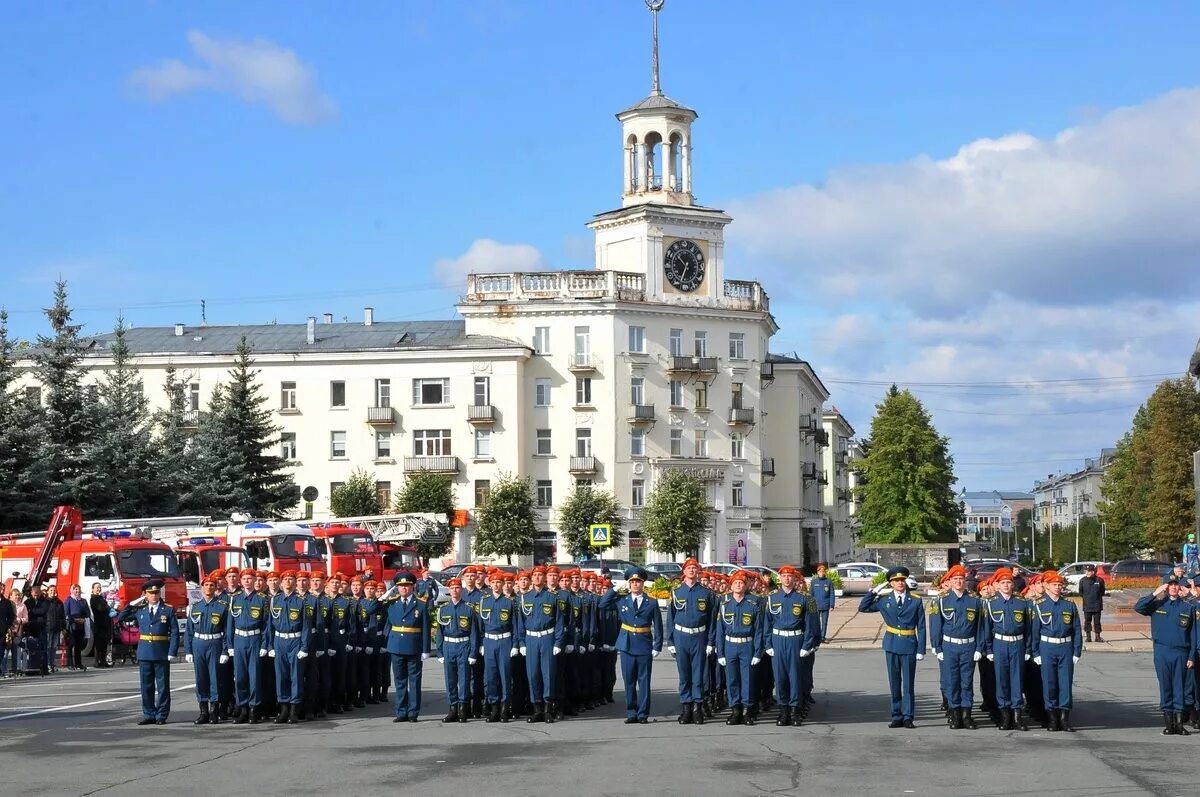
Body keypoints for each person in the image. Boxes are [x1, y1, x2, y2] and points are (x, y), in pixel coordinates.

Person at [858, 566, 927, 729]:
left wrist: (921, 649)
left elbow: (922, 627)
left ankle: (908, 716)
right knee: (894, 683)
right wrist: (874, 591)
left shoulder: (915, 600)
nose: (900, 583)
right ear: (890, 584)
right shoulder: (884, 600)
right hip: (891, 645)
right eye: (896, 581)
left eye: (902, 580)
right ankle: (896, 715)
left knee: (908, 685)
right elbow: (863, 607)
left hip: (909, 644)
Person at [598, 567, 662, 723]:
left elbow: (658, 625)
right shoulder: (622, 599)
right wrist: (615, 589)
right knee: (629, 680)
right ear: (628, 584)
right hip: (626, 644)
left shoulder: (652, 602)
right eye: (632, 582)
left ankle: (643, 714)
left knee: (644, 681)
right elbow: (602, 604)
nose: (635, 584)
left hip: (644, 644)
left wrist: (657, 645)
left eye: (638, 582)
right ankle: (631, 712)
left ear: (643, 583)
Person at [1135, 576, 1195, 735]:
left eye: (1176, 585)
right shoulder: (1157, 605)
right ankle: (1169, 724)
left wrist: (1191, 656)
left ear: (1180, 588)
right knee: (1166, 686)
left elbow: (1193, 635)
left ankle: (1179, 724)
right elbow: (1139, 607)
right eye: (1170, 585)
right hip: (1162, 651)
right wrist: (1155, 593)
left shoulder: (1187, 607)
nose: (1174, 587)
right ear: (1166, 587)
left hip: (1181, 652)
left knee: (1179, 687)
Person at [930, 564, 985, 730]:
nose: (959, 582)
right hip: (949, 646)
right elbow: (936, 626)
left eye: (962, 579)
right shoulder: (941, 601)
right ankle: (954, 715)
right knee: (952, 681)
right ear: (951, 581)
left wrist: (978, 648)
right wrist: (937, 647)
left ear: (966, 581)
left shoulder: (975, 601)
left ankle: (967, 716)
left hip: (968, 646)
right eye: (956, 579)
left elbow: (980, 627)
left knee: (967, 682)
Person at [117, 579, 180, 725]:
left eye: (156, 593)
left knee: (163, 686)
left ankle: (161, 715)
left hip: (161, 651)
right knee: (146, 685)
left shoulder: (168, 610)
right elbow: (121, 617)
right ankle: (149, 713)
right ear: (146, 595)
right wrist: (134, 602)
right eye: (150, 593)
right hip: (145, 652)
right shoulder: (141, 610)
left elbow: (175, 632)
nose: (154, 596)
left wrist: (172, 651)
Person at [1030, 570, 1083, 731]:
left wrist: (1076, 651)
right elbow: (1034, 632)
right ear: (1046, 586)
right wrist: (1035, 652)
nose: (1058, 588)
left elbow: (1076, 630)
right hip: (1047, 647)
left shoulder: (1069, 605)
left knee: (1065, 683)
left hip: (1065, 646)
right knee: (1049, 682)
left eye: (1060, 585)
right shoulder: (1039, 605)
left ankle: (1064, 718)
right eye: (1054, 585)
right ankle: (1052, 718)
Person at [666, 558, 717, 725]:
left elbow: (711, 621)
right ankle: (686, 708)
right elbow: (670, 619)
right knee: (684, 674)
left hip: (699, 636)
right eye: (689, 568)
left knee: (699, 674)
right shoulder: (676, 592)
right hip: (681, 636)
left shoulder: (707, 593)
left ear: (698, 572)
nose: (692, 571)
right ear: (684, 571)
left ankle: (697, 709)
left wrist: (710, 642)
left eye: (695, 568)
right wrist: (671, 642)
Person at [764, 565, 816, 726]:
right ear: (779, 579)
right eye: (784, 576)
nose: (787, 578)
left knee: (795, 677)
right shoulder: (771, 597)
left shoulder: (805, 598)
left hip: (796, 640)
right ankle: (783, 711)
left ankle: (795, 711)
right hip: (778, 640)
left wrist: (807, 646)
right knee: (780, 678)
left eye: (789, 576)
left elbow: (811, 624)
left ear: (794, 579)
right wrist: (768, 644)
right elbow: (766, 623)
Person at [983, 568, 1032, 731]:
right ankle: (1005, 717)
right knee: (1002, 680)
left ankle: (1017, 717)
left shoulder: (1021, 603)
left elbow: (1028, 629)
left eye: (1008, 582)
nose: (1006, 585)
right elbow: (987, 629)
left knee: (1017, 680)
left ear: (1012, 584)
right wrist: (988, 650)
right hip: (1000, 644)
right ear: (997, 584)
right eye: (1003, 582)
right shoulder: (990, 603)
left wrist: (1027, 649)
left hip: (1017, 644)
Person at [716, 571, 766, 726]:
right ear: (731, 586)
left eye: (741, 583)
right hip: (730, 645)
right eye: (736, 583)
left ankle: (747, 710)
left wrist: (758, 651)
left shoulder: (752, 606)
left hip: (747, 645)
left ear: (745, 586)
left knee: (748, 679)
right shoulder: (724, 606)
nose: (738, 585)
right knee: (732, 680)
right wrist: (721, 652)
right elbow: (720, 630)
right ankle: (735, 710)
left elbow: (759, 630)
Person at [382, 571, 431, 723]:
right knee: (400, 681)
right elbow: (371, 609)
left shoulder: (421, 604)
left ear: (413, 586)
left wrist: (426, 650)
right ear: (397, 587)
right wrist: (384, 596)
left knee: (414, 681)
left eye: (407, 586)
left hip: (414, 646)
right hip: (396, 646)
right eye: (401, 586)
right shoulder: (391, 603)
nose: (404, 589)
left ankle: (413, 713)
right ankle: (401, 711)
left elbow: (425, 628)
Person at [226, 568, 270, 724]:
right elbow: (230, 625)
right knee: (240, 677)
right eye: (244, 579)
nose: (246, 581)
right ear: (240, 581)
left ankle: (253, 709)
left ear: (254, 580)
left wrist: (265, 645)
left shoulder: (262, 599)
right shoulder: (235, 599)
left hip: (255, 639)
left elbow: (266, 625)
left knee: (255, 676)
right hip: (239, 640)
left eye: (250, 579)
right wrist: (229, 645)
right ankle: (243, 708)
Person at [185, 574, 230, 724]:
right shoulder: (195, 606)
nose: (209, 587)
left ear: (215, 587)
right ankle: (203, 711)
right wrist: (188, 650)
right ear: (202, 587)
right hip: (199, 643)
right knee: (201, 677)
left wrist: (225, 650)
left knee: (215, 677)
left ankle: (214, 711)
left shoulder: (222, 606)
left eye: (212, 585)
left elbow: (227, 630)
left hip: (215, 643)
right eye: (206, 585)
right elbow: (189, 631)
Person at [269, 571, 310, 725]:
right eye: (285, 579)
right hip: (279, 641)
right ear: (281, 582)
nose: (287, 582)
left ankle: (294, 710)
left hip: (295, 641)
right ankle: (283, 709)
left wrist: (304, 647)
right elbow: (269, 626)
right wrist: (270, 645)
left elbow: (306, 627)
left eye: (290, 579)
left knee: (296, 677)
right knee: (281, 676)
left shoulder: (301, 601)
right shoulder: (275, 600)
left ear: (295, 583)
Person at [436, 577, 479, 723]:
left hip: (464, 646)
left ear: (461, 589)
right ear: (449, 590)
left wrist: (473, 652)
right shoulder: (443, 609)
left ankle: (463, 709)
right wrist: (440, 652)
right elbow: (439, 633)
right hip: (449, 646)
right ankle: (452, 709)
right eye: (452, 588)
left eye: (457, 587)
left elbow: (474, 632)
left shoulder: (469, 608)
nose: (455, 590)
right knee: (450, 679)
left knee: (464, 678)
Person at [478, 570, 517, 722]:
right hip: (489, 641)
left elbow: (515, 625)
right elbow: (480, 626)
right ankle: (494, 707)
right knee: (491, 676)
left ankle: (504, 708)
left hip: (505, 641)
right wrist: (481, 643)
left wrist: (515, 644)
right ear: (490, 583)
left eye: (499, 582)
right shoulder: (484, 601)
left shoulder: (509, 602)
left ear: (503, 585)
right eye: (493, 582)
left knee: (505, 675)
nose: (496, 585)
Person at [63, 584, 91, 671]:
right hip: (72, 626)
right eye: (75, 589)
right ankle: (70, 664)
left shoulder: (83, 601)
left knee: (79, 646)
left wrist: (83, 619)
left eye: (78, 589)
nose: (77, 591)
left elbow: (88, 612)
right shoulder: (68, 601)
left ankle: (78, 663)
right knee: (71, 645)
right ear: (72, 590)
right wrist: (75, 620)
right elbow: (66, 614)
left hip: (81, 625)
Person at [1077, 564, 1106, 643]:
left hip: (1097, 605)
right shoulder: (1082, 580)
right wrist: (1086, 598)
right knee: (1087, 621)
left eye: (1089, 571)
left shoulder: (1099, 580)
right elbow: (1080, 592)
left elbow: (1102, 591)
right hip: (1087, 605)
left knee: (1097, 621)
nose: (1087, 573)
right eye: (1086, 571)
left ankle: (1098, 637)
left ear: (1093, 571)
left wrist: (1097, 598)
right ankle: (1088, 637)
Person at [89, 583, 114, 668]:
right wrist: (108, 607)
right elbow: (99, 608)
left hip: (106, 623)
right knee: (98, 644)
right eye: (97, 588)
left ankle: (103, 661)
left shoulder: (101, 597)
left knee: (105, 643)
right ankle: (97, 661)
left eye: (99, 587)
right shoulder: (93, 598)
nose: (98, 589)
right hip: (99, 623)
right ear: (92, 589)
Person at [809, 563, 836, 643]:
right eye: (820, 571)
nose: (821, 572)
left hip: (825, 605)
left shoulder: (828, 582)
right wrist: (810, 604)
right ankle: (816, 637)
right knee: (816, 623)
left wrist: (832, 605)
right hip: (816, 606)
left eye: (823, 571)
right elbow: (811, 594)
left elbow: (832, 593)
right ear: (817, 572)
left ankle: (822, 637)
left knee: (824, 623)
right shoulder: (814, 582)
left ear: (825, 572)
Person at [0, 586, 15, 677]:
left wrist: (5, 626)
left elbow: (11, 616)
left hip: (2, 632)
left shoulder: (7, 602)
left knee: (1, 652)